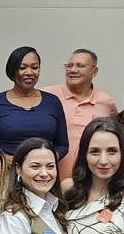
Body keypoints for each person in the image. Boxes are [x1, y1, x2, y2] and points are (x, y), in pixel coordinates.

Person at [0, 46, 68, 159]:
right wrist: (4, 160)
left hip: (44, 173)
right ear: (12, 70)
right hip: (6, 172)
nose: (29, 72)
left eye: (35, 67)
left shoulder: (53, 102)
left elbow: (63, 145)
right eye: (22, 68)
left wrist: (46, 160)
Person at [42, 49, 117, 180]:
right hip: (50, 179)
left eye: (80, 66)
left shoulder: (106, 101)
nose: (73, 70)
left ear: (95, 71)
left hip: (93, 182)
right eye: (69, 66)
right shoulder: (47, 96)